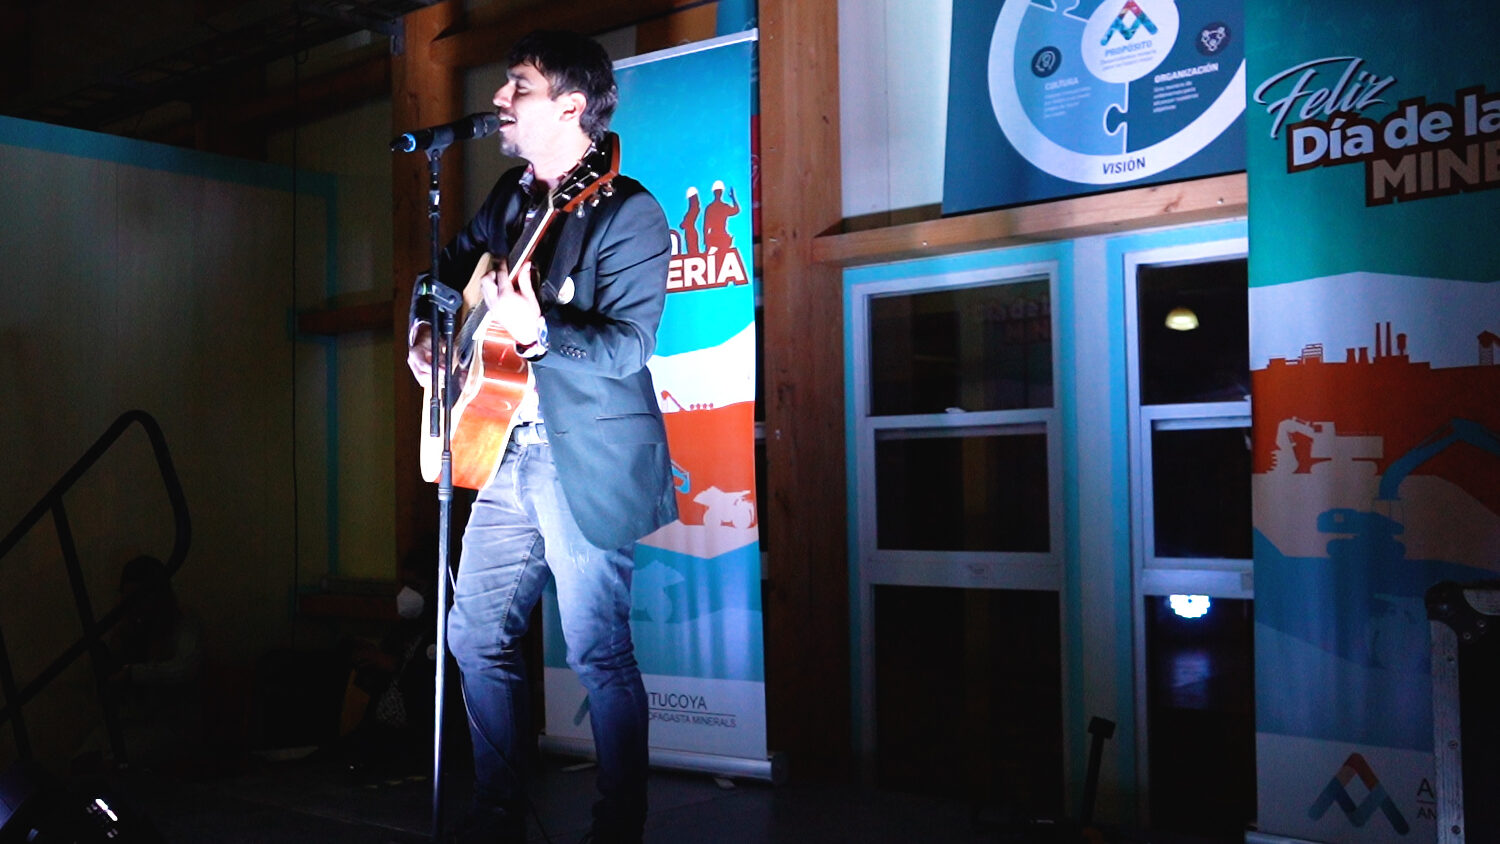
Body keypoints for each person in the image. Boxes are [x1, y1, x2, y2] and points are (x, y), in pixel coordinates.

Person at [406, 29, 676, 844]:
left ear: (570, 106)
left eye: (517, 86)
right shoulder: (511, 198)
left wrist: (540, 332)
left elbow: (630, 347)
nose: (498, 100)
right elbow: (444, 272)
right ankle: (498, 814)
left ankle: (617, 827)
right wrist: (427, 330)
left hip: (581, 458)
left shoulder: (628, 212)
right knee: (472, 636)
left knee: (598, 653)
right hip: (503, 446)